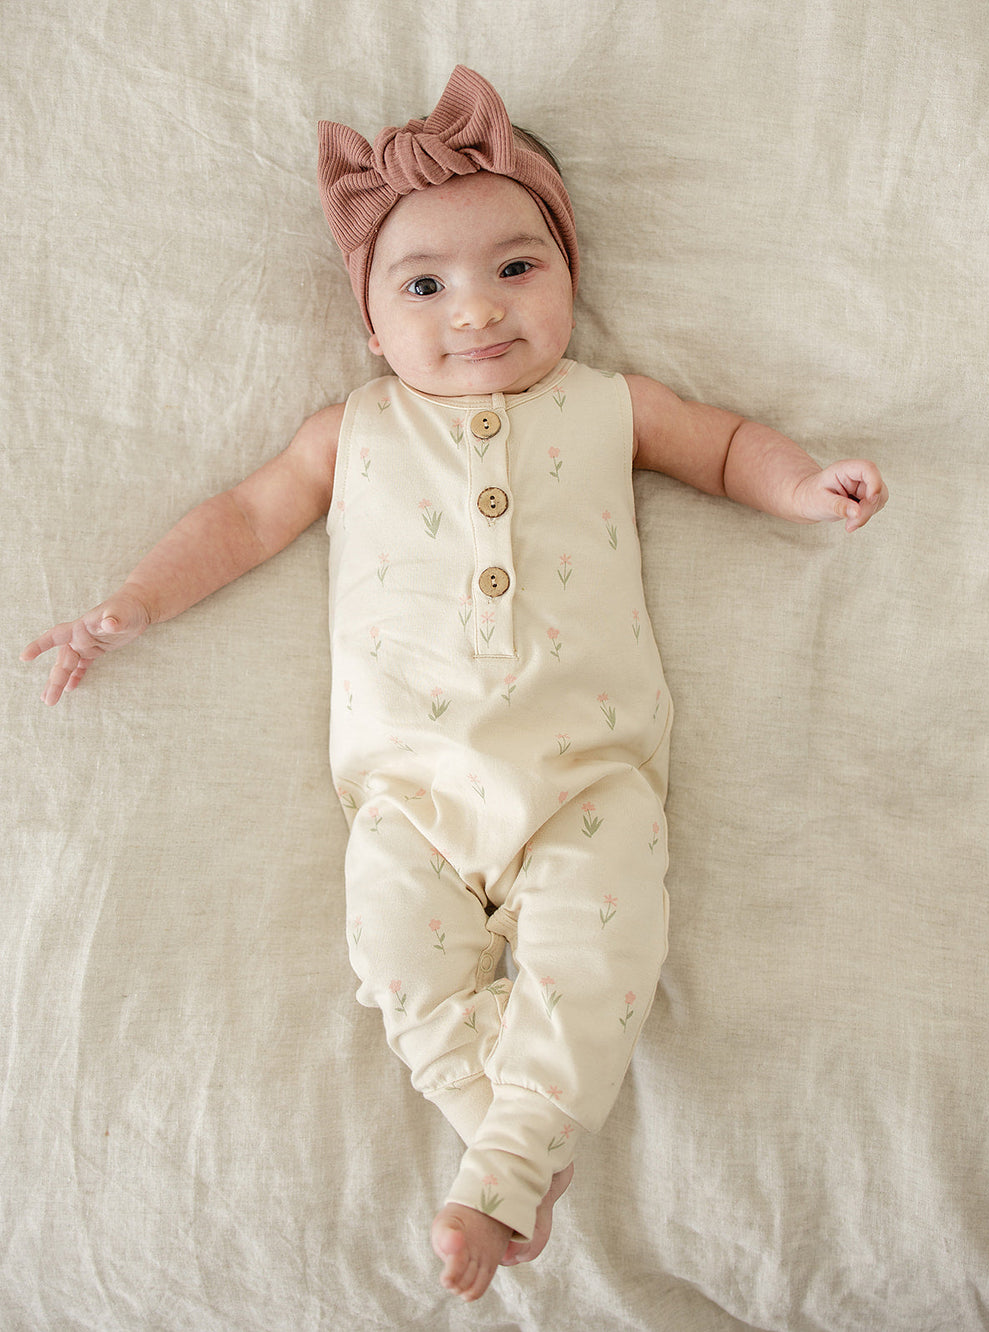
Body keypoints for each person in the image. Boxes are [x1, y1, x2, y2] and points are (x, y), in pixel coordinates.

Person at [21, 66, 887, 1302]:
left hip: (587, 781)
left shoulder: (608, 406)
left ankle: (508, 1169)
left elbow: (728, 445)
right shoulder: (352, 431)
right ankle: (514, 1152)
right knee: (400, 971)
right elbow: (245, 517)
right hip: (409, 796)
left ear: (571, 278)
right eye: (424, 285)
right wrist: (135, 603)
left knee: (600, 962)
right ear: (373, 327)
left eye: (516, 267)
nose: (476, 308)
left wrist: (801, 485)